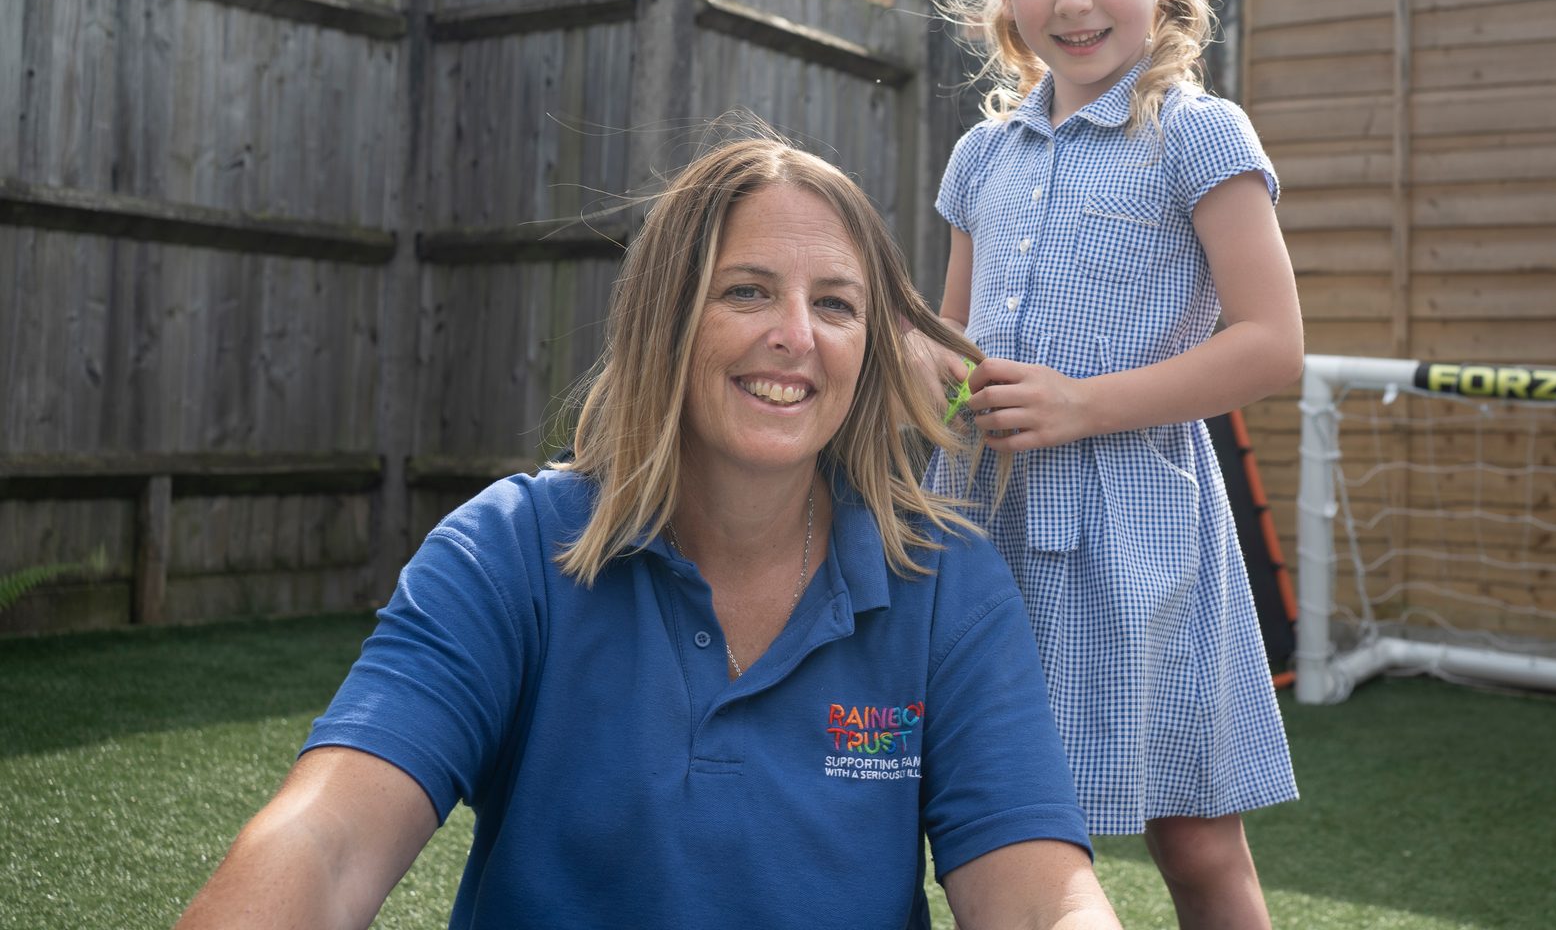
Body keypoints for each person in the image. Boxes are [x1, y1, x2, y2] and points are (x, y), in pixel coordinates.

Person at [175, 137, 1121, 930]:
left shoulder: (944, 581)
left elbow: (1041, 899)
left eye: (835, 304)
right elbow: (325, 840)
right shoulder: (507, 553)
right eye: (747, 291)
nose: (797, 335)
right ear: (665, 318)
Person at [912, 0, 1306, 929]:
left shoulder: (1199, 132)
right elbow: (951, 349)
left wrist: (1083, 403)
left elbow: (1270, 344)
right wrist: (904, 367)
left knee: (1197, 840)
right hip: (982, 525)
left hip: (1141, 531)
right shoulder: (979, 153)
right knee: (970, 815)